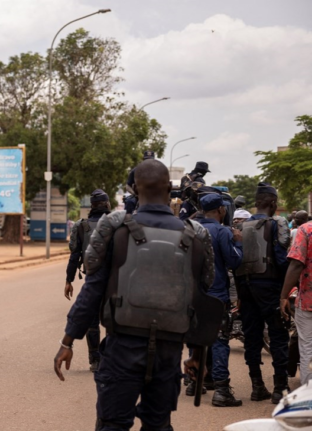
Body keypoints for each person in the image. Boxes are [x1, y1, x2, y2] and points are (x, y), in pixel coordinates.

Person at [54, 160, 218, 431]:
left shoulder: (116, 230)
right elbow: (202, 299)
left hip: (121, 350)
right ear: (170, 188)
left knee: (112, 424)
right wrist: (198, 356)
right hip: (169, 353)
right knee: (158, 425)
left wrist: (68, 341)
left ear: (133, 189)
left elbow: (92, 291)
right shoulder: (195, 235)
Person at [235, 182, 291, 404]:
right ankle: (280, 389)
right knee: (278, 335)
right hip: (270, 287)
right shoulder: (278, 223)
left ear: (257, 203)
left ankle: (257, 386)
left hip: (245, 288)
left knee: (252, 337)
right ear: (274, 203)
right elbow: (282, 259)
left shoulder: (240, 225)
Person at [198, 193, 244, 407]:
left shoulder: (189, 228)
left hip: (193, 295)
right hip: (217, 294)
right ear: (221, 210)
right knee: (219, 340)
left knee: (196, 337)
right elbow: (234, 261)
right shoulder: (222, 231)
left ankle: (194, 382)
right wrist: (239, 243)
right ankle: (222, 390)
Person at [65, 189, 111, 372]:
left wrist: (69, 280)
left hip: (92, 280)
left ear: (91, 206)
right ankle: (108, 357)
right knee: (112, 321)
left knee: (91, 322)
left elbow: (74, 254)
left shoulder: (81, 226)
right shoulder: (119, 224)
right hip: (114, 282)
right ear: (107, 205)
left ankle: (95, 359)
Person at [281, 213, 312, 385]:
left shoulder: (306, 230)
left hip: (308, 301)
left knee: (307, 347)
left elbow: (296, 264)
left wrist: (283, 295)